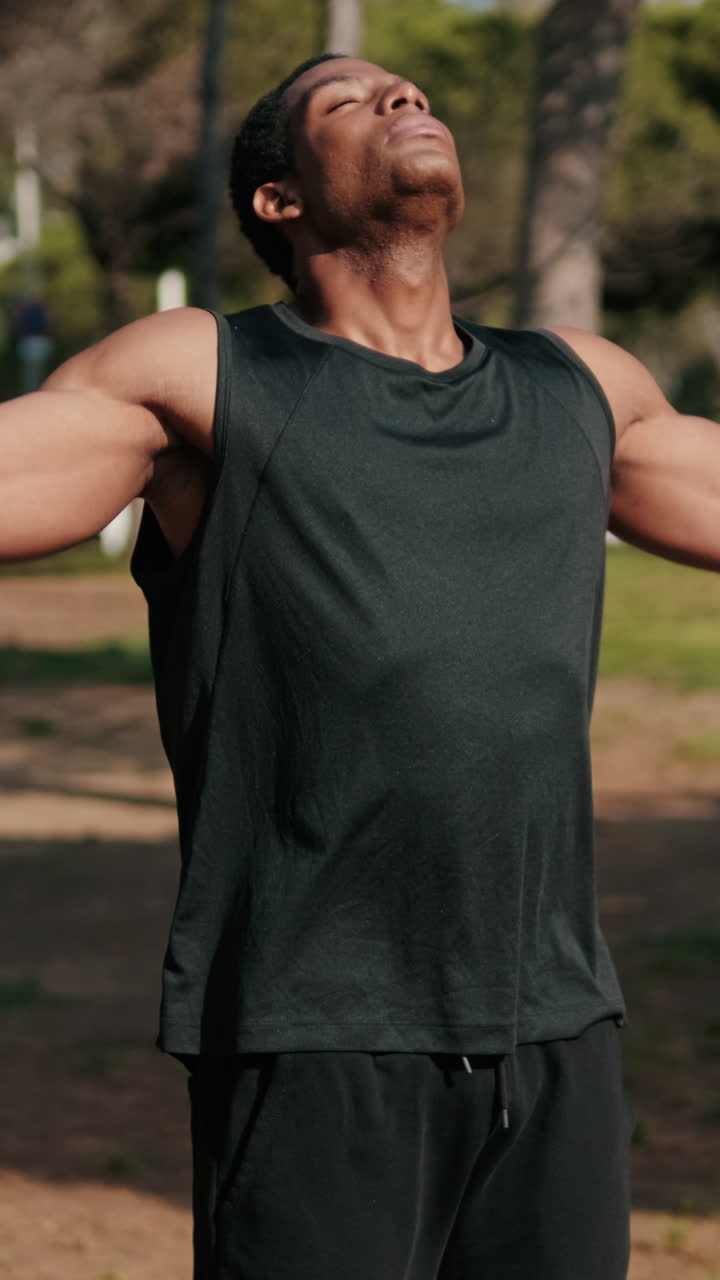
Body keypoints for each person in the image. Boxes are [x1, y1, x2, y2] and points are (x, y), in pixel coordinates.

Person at [2, 52, 719, 1280]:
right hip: (313, 1031)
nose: (406, 99)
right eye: (350, 99)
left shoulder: (581, 387)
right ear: (279, 200)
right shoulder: (205, 374)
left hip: (553, 1025)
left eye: (417, 92)